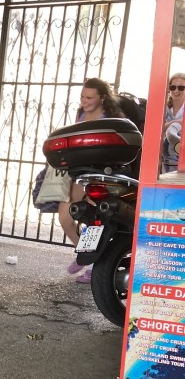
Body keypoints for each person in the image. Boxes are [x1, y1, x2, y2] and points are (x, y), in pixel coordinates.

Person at [59, 77, 124, 284]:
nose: (84, 101)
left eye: (89, 98)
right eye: (82, 97)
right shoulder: (81, 114)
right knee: (65, 217)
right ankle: (84, 254)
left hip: (103, 175)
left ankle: (95, 266)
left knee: (93, 222)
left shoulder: (112, 117)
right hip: (79, 173)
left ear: (102, 98)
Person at [161, 72, 185, 174]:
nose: (176, 90)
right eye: (173, 87)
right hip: (164, 158)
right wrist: (176, 122)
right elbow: (155, 128)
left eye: (181, 88)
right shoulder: (163, 107)